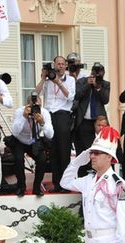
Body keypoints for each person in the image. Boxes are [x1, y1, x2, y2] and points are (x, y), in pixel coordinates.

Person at [36, 55, 75, 192]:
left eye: (62, 64)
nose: (60, 66)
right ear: (54, 65)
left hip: (63, 114)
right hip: (49, 114)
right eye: (57, 64)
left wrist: (58, 82)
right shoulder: (47, 81)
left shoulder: (70, 80)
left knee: (64, 150)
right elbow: (36, 93)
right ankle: (56, 184)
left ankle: (65, 184)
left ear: (66, 66)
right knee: (53, 151)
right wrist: (43, 78)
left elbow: (70, 97)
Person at [5, 93, 54, 197]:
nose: (35, 109)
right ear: (27, 105)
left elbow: (50, 135)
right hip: (20, 140)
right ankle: (21, 187)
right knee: (18, 159)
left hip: (34, 140)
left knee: (42, 160)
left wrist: (42, 123)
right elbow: (15, 132)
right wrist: (24, 117)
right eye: (33, 107)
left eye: (38, 106)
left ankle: (37, 188)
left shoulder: (44, 113)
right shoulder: (19, 111)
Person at [72, 62, 110, 177]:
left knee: (102, 147)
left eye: (100, 71)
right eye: (95, 71)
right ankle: (85, 173)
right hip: (85, 120)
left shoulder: (105, 84)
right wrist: (88, 85)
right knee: (87, 148)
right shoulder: (82, 81)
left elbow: (105, 100)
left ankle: (102, 173)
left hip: (99, 121)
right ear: (91, 71)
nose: (97, 73)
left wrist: (97, 87)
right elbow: (76, 95)